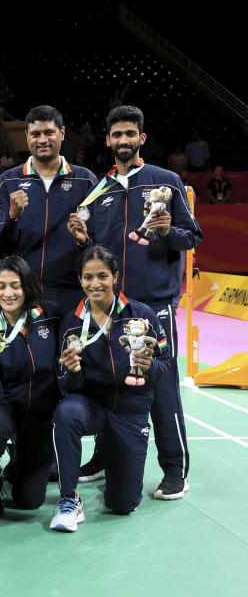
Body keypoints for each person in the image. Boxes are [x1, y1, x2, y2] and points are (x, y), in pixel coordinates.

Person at [67, 105, 202, 500]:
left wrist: (166, 231)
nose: (123, 141)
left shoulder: (167, 181)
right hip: (111, 308)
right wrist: (81, 240)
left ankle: (175, 470)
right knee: (109, 384)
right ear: (107, 140)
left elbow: (192, 237)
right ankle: (103, 457)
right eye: (116, 135)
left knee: (161, 388)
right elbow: (97, 251)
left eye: (131, 134)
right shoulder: (100, 189)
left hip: (155, 303)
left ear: (142, 138)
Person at [50, 245, 170, 532]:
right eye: (88, 277)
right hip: (91, 406)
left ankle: (116, 466)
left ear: (115, 276)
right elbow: (65, 385)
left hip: (130, 411)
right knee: (66, 413)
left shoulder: (142, 316)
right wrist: (73, 372)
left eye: (102, 276)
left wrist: (149, 366)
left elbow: (165, 368)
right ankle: (69, 499)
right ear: (79, 279)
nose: (95, 284)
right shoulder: (71, 324)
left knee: (122, 505)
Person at [0, 256, 61, 515]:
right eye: (1, 286)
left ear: (27, 286)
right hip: (4, 407)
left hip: (39, 414)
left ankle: (19, 462)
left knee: (28, 501)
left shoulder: (50, 316)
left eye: (15, 285)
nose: (8, 293)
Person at [0, 106, 98, 312]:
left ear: (62, 133)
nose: (42, 140)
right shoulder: (8, 180)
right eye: (35, 134)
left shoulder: (85, 179)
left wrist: (83, 240)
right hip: (23, 292)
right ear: (26, 136)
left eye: (49, 132)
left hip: (73, 290)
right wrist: (12, 217)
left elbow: (96, 238)